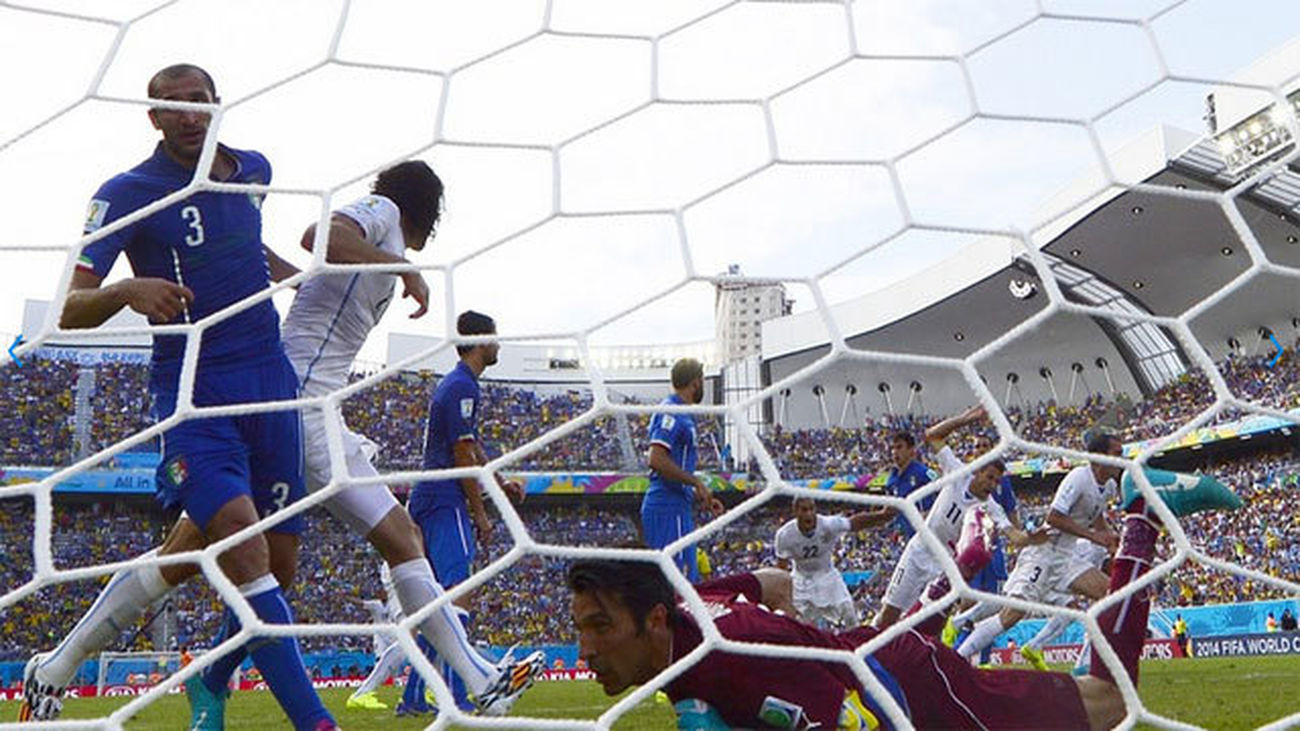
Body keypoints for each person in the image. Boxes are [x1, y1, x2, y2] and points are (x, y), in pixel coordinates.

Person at [24, 158, 544, 725]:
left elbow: (307, 257)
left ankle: (80, 667)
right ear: (430, 209)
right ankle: (477, 679)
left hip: (320, 406)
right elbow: (322, 234)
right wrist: (398, 266)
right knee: (356, 544)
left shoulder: (382, 239)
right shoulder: (384, 216)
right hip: (292, 401)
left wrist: (281, 270)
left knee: (218, 555)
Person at [20, 63, 335, 730]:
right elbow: (69, 307)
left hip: (270, 384)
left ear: (219, 106)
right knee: (249, 558)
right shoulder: (128, 192)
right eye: (174, 105)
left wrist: (301, 276)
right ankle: (317, 722)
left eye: (200, 102)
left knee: (266, 564)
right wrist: (129, 292)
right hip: (195, 391)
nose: (190, 114)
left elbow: (245, 247)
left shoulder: (255, 169)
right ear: (153, 117)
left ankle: (65, 664)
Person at [567, 473, 1244, 730]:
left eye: (600, 626)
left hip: (908, 691)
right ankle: (947, 587)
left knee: (1111, 701)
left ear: (653, 619)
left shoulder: (735, 671)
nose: (586, 648)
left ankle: (1143, 513)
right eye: (580, 627)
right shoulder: (694, 600)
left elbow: (859, 723)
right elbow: (771, 585)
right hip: (876, 652)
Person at [400, 310, 540, 716]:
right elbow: (462, 455)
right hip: (445, 499)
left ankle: (413, 697)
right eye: (494, 337)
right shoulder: (463, 387)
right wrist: (480, 511)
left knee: (437, 602)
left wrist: (499, 483)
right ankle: (461, 695)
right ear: (481, 340)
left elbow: (472, 448)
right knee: (459, 597)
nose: (498, 344)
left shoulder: (458, 385)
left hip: (428, 496)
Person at [955, 432, 1124, 663]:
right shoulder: (1078, 478)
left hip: (1066, 558)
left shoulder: (1110, 487)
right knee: (1013, 613)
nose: (1122, 458)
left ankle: (1082, 664)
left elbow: (1096, 516)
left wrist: (1107, 535)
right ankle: (958, 654)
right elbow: (1054, 517)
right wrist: (1093, 536)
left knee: (1110, 593)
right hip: (1044, 552)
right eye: (1117, 454)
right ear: (1099, 457)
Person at [875, 405, 1041, 629]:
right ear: (977, 471)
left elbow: (1015, 536)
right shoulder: (957, 472)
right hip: (919, 551)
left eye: (996, 482)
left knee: (930, 626)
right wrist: (964, 418)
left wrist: (1035, 536)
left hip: (945, 570)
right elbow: (932, 435)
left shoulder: (991, 507)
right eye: (989, 478)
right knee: (889, 613)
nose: (992, 486)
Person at [641, 357, 723, 582]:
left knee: (687, 582)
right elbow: (656, 458)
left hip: (678, 505)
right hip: (667, 508)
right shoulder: (672, 411)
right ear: (696, 383)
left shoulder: (683, 414)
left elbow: (673, 467)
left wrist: (700, 494)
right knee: (677, 585)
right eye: (703, 381)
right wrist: (695, 482)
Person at [774, 496, 892, 628]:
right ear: (795, 511)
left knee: (850, 614)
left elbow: (854, 523)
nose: (809, 514)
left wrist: (881, 516)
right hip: (801, 581)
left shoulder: (828, 525)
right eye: (804, 510)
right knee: (802, 625)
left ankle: (857, 645)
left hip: (828, 575)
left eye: (812, 509)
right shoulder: (784, 535)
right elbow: (781, 569)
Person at [346, 564, 408, 710]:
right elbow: (361, 604)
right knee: (408, 643)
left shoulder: (385, 603)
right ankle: (364, 692)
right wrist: (346, 597)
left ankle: (427, 691)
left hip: (393, 634)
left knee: (417, 642)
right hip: (381, 637)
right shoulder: (376, 604)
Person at [883, 431, 936, 537]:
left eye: (899, 447)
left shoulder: (923, 473)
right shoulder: (891, 478)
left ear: (911, 450)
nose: (894, 452)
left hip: (928, 536)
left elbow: (944, 491)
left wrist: (930, 513)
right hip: (906, 537)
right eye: (893, 448)